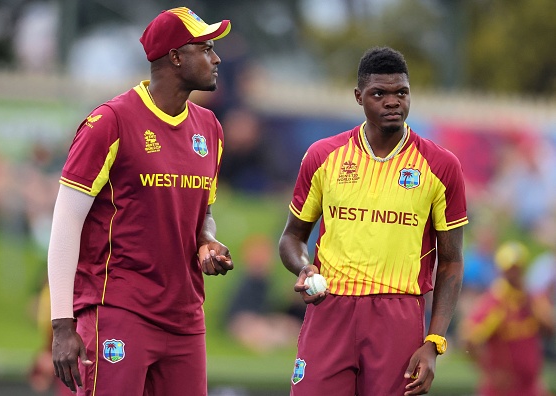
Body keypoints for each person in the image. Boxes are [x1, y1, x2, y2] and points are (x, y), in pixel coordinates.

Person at [47, 7, 234, 396]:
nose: (216, 59)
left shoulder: (210, 128)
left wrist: (207, 242)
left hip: (186, 317)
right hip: (118, 310)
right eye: (206, 48)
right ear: (176, 56)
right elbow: (66, 222)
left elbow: (205, 213)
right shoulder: (110, 122)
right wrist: (62, 325)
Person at [279, 46, 468, 396]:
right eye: (379, 93)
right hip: (330, 307)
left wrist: (435, 340)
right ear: (358, 97)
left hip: (397, 314)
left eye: (402, 92)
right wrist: (303, 268)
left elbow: (452, 262)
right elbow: (291, 237)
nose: (393, 101)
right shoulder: (323, 156)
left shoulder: (441, 166)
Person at [461, 241, 554, 396]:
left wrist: (532, 307)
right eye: (511, 269)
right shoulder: (495, 301)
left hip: (531, 386)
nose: (515, 273)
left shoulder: (533, 298)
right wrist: (488, 370)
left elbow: (550, 331)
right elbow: (468, 340)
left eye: (518, 268)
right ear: (502, 271)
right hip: (501, 390)